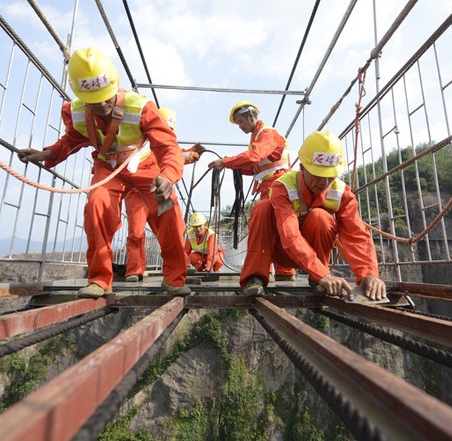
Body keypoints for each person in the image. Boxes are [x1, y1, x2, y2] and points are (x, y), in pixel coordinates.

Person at [17, 46, 191, 298]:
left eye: (107, 97)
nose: (102, 104)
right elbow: (73, 138)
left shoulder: (141, 107)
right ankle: (99, 279)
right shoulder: (74, 111)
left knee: (168, 211)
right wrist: (50, 153)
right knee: (96, 206)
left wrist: (168, 176)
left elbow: (168, 147)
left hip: (145, 166)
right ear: (80, 95)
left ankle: (174, 278)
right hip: (107, 166)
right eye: (94, 100)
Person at [239, 131, 385, 300]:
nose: (324, 182)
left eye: (330, 177)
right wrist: (321, 272)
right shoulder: (283, 187)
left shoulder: (341, 193)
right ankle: (255, 277)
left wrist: (368, 274)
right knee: (262, 208)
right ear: (302, 168)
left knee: (320, 217)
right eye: (318, 175)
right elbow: (290, 234)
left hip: (314, 259)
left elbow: (356, 234)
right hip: (278, 251)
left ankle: (317, 280)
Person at [207, 101, 295, 280]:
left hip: (276, 185)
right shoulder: (256, 138)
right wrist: (231, 165)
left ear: (251, 116)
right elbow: (254, 167)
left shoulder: (267, 134)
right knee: (276, 227)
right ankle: (284, 273)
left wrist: (226, 162)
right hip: (269, 186)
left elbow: (255, 156)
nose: (239, 126)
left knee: (264, 226)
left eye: (240, 121)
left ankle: (264, 273)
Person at [121, 107, 204, 282]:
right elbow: (155, 157)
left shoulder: (163, 142)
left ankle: (182, 264)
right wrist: (188, 155)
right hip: (137, 192)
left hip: (158, 190)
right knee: (136, 232)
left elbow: (171, 154)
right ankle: (135, 270)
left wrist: (189, 153)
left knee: (173, 228)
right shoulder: (141, 142)